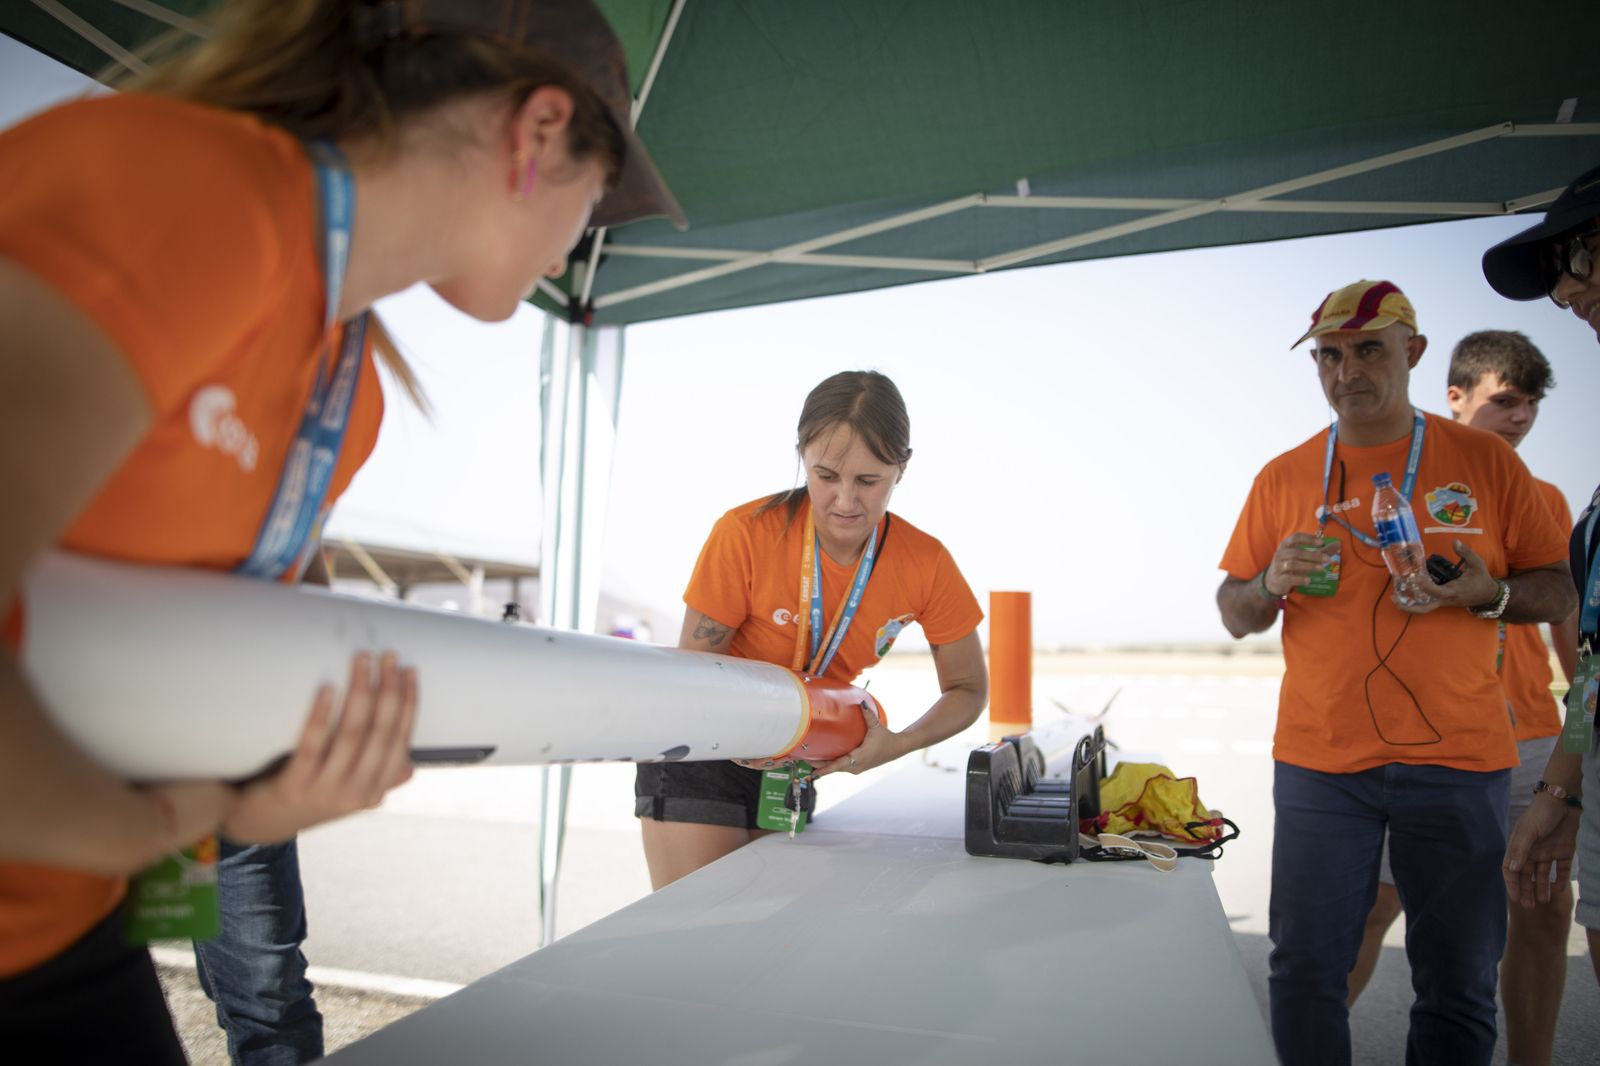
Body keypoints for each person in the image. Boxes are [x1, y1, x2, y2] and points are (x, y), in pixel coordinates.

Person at [0, 1, 682, 1062]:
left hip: (65, 922)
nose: (575, 250)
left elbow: (181, 665)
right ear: (540, 129)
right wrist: (179, 813)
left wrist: (252, 797)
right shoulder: (187, 192)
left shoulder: (345, 383)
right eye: (595, 205)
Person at [1216, 279, 1575, 1066]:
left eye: (1369, 350)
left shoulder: (1486, 462)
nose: (1349, 371)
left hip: (1458, 759)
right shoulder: (1284, 475)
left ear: (1411, 353)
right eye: (1330, 356)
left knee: (1456, 978)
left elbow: (1557, 585)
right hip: (1321, 763)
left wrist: (1490, 593)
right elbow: (1233, 610)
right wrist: (1267, 584)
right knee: (1305, 968)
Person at [635, 370, 989, 890]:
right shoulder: (746, 533)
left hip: (799, 760)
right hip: (703, 749)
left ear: (902, 468)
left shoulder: (926, 563)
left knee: (766, 935)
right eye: (826, 475)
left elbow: (968, 688)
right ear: (801, 454)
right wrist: (747, 731)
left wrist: (898, 743)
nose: (846, 501)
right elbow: (696, 675)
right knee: (696, 932)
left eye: (869, 481)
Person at [1343, 331, 1579, 1066]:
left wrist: (1583, 740)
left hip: (1531, 734)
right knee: (1376, 905)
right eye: (1503, 401)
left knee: (1541, 908)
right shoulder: (1397, 495)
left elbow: (1571, 623)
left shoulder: (1545, 498)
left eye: (1531, 405)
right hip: (1425, 739)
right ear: (1454, 395)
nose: (1520, 418)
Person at [1485, 161, 1600, 990]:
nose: (1566, 291)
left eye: (1580, 257)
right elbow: (1594, 660)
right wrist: (1566, 787)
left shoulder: (1549, 497)